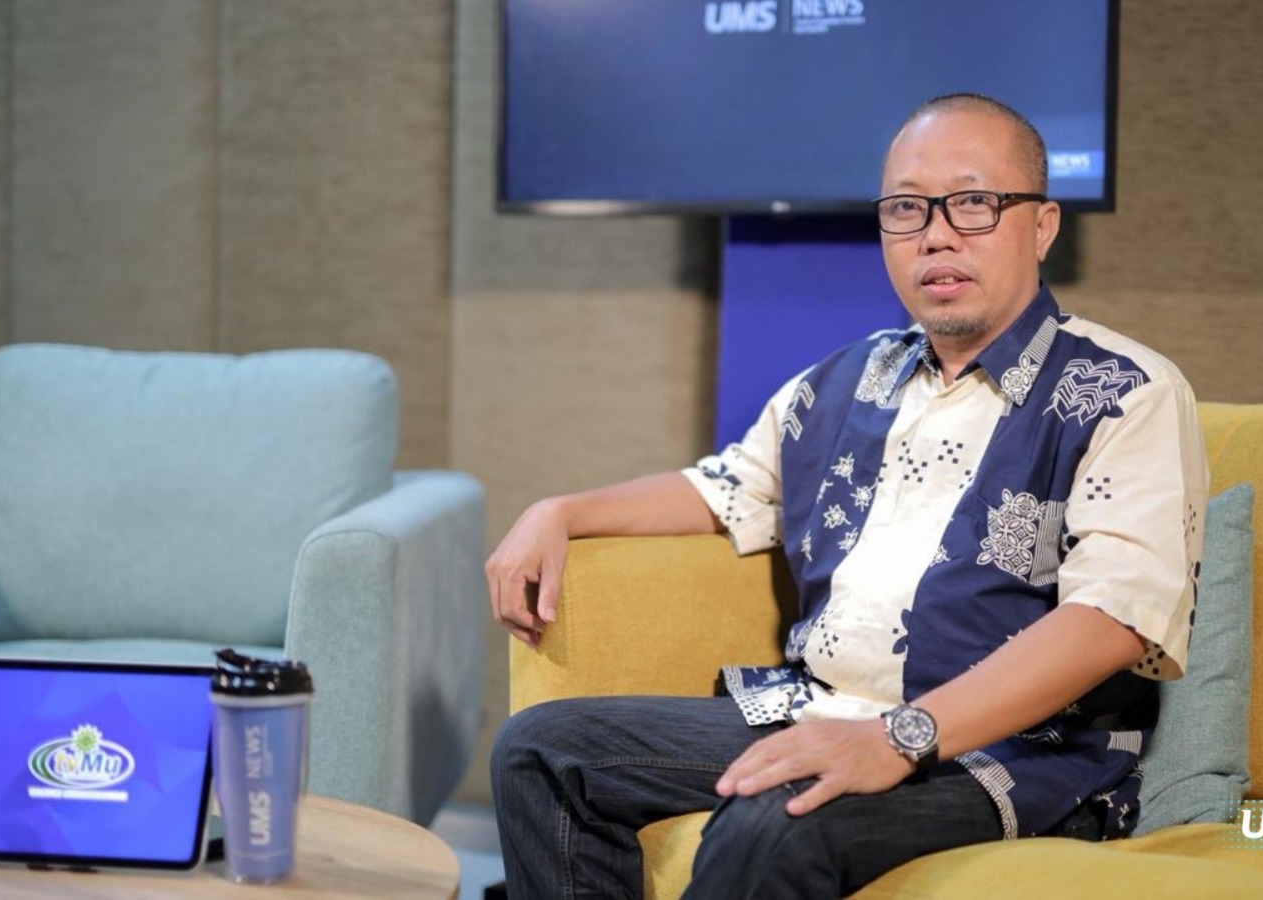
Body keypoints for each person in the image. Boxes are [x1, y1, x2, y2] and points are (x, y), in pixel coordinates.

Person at [486, 93, 1208, 899]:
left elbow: (1113, 620)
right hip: (823, 706)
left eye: (973, 203)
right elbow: (728, 489)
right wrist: (558, 512)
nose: (937, 234)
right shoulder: (843, 381)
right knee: (542, 752)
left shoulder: (1123, 391)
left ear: (1042, 226)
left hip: (1017, 751)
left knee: (775, 819)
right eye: (907, 209)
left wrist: (901, 737)